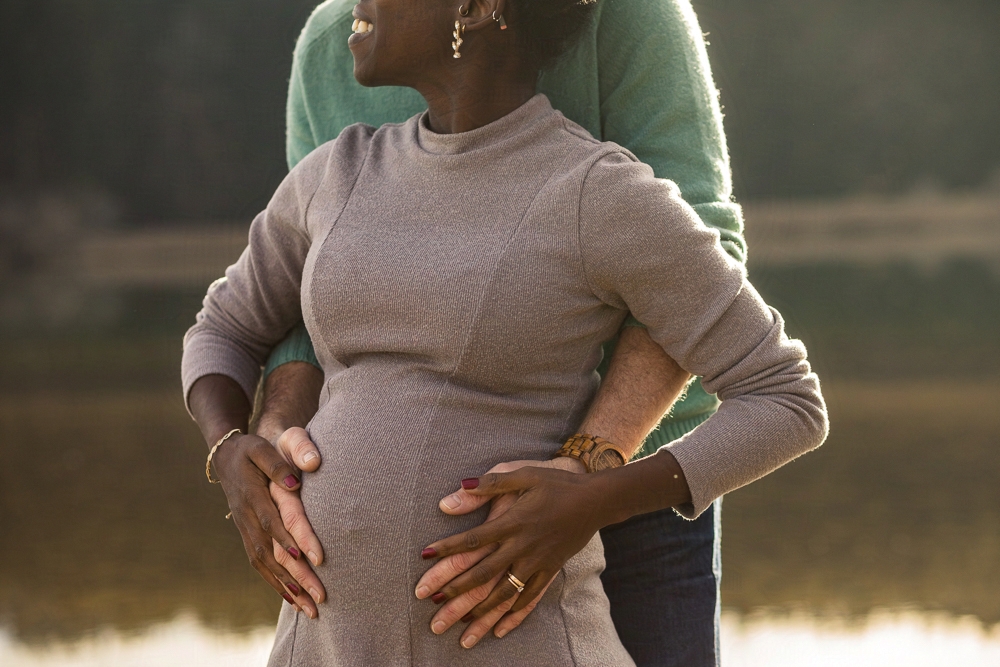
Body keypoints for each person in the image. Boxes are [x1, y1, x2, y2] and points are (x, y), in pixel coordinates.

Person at [181, 0, 829, 664]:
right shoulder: (335, 167)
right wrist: (237, 448)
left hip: (608, 524)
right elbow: (243, 319)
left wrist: (590, 487)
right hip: (330, 634)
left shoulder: (598, 187)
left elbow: (782, 390)